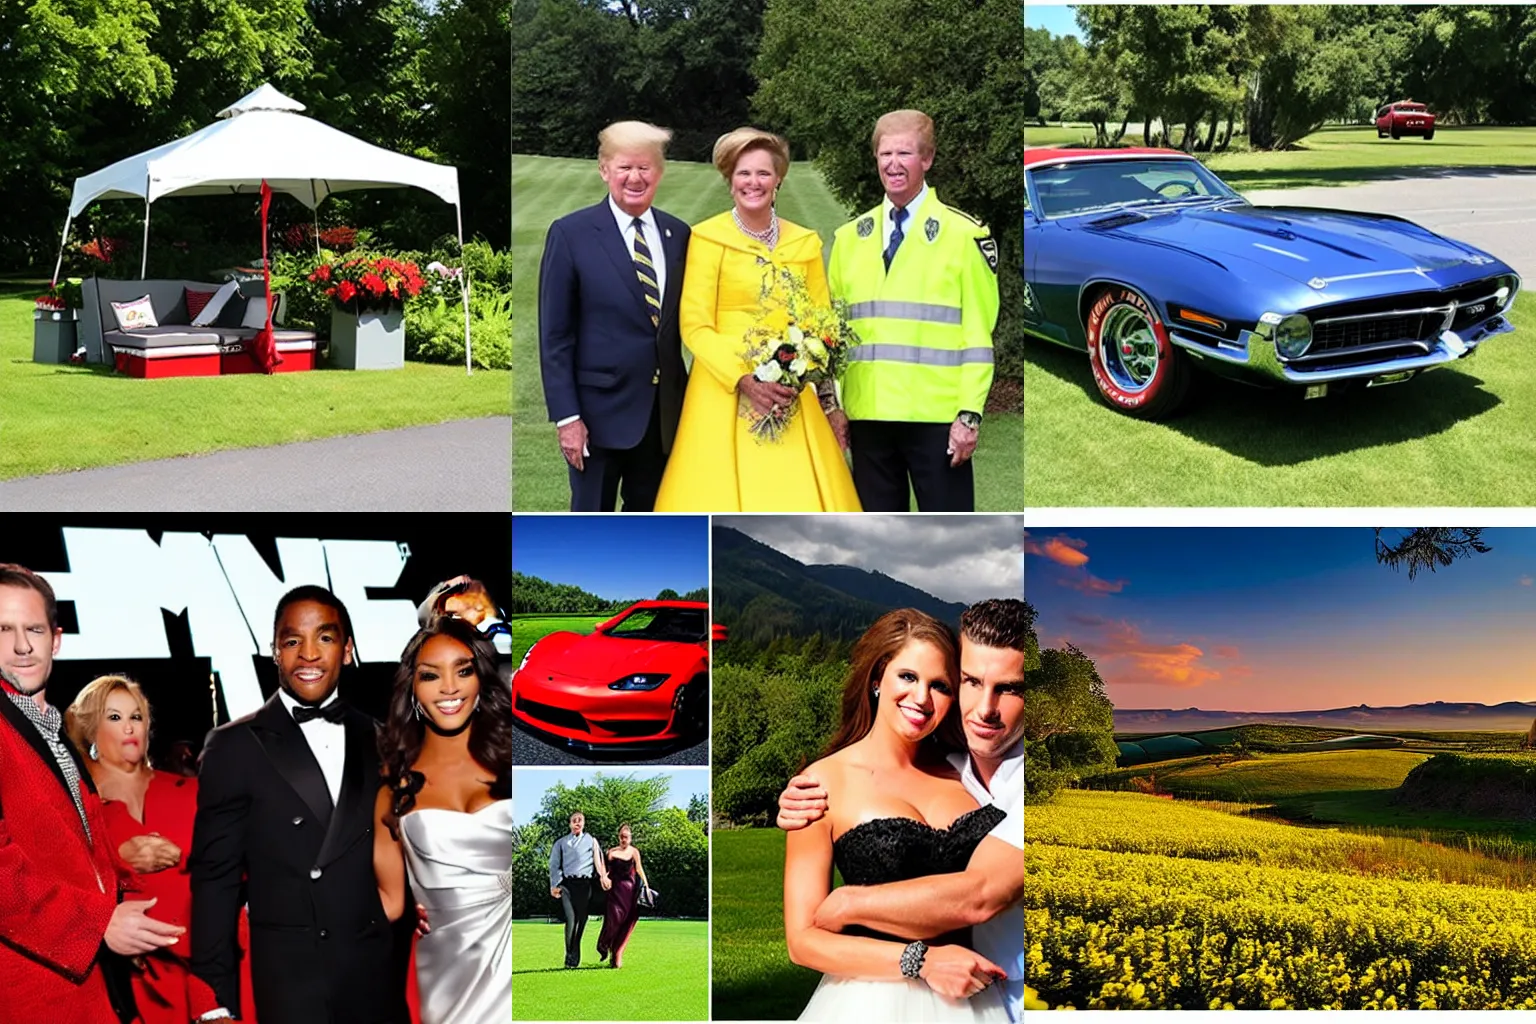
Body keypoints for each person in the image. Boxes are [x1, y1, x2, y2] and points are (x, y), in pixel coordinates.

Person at [779, 599, 1026, 1021]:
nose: (922, 697)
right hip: (870, 1001)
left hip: (981, 997)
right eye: (908, 676)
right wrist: (920, 961)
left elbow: (980, 894)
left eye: (941, 685)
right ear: (878, 677)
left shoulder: (963, 769)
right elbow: (802, 942)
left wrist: (848, 903)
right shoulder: (820, 784)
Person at [190, 585, 411, 1024]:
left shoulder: (385, 740)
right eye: (293, 641)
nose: (308, 654)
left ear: (347, 650)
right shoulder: (233, 746)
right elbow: (215, 886)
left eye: (325, 639)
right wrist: (215, 1003)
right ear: (274, 651)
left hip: (375, 981)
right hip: (291, 986)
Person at [0, 564, 183, 1024]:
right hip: (31, 996)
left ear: (56, 639)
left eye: (34, 629)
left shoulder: (52, 730)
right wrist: (99, 923)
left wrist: (122, 903)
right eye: (4, 629)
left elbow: (82, 852)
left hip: (92, 991)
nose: (22, 646)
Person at [654, 127, 862, 512]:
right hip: (723, 389)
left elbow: (822, 329)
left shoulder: (805, 243)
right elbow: (694, 325)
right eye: (744, 173)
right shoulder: (707, 238)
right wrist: (745, 378)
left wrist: (829, 404)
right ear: (729, 179)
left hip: (793, 392)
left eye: (764, 173)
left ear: (779, 178)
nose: (754, 182)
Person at [828, 110, 1001, 512]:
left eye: (904, 153)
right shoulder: (849, 238)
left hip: (938, 421)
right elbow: (834, 336)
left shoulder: (965, 234)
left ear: (928, 159)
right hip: (867, 419)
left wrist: (969, 415)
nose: (892, 163)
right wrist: (834, 407)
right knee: (877, 539)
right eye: (884, 153)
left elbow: (978, 335)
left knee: (953, 538)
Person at [65, 675, 259, 1024]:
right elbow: (60, 878)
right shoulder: (79, 803)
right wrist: (117, 860)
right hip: (140, 980)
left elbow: (244, 866)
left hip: (214, 965)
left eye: (136, 716)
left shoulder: (191, 792)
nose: (129, 727)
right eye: (114, 717)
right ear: (91, 728)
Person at [539, 120, 692, 512]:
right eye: (625, 167)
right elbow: (555, 336)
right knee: (591, 531)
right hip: (596, 421)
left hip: (663, 422)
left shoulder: (679, 235)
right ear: (604, 169)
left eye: (645, 167)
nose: (635, 177)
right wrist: (567, 418)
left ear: (659, 173)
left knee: (650, 532)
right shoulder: (571, 234)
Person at [373, 617, 512, 1024]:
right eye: (431, 675)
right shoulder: (393, 785)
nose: (449, 687)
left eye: (463, 670)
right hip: (445, 980)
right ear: (413, 689)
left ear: (481, 681)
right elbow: (388, 903)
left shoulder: (516, 763)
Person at [548, 811, 611, 968]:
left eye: (580, 820)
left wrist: (603, 876)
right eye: (574, 820)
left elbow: (598, 861)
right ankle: (570, 957)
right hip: (567, 885)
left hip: (585, 885)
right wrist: (554, 885)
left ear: (584, 823)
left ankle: (573, 955)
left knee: (581, 921)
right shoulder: (561, 843)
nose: (577, 823)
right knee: (571, 920)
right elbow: (554, 864)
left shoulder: (591, 841)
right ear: (570, 824)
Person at [595, 823, 650, 968]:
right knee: (614, 919)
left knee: (627, 922)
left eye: (626, 837)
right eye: (621, 837)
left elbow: (639, 869)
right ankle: (603, 944)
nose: (623, 840)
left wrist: (647, 886)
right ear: (618, 837)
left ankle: (617, 954)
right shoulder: (611, 852)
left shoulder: (634, 852)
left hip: (630, 892)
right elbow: (605, 870)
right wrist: (604, 878)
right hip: (615, 891)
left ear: (630, 838)